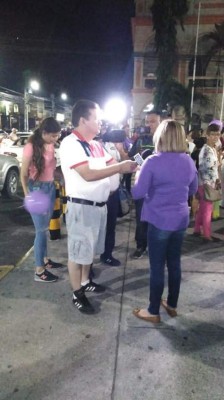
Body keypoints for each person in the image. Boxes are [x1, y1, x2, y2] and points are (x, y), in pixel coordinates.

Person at [59, 99, 136, 314]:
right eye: (97, 118)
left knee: (89, 250)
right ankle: (77, 293)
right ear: (83, 120)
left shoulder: (95, 145)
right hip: (81, 208)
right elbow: (88, 174)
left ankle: (85, 282)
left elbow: (113, 164)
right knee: (77, 252)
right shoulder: (71, 144)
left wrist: (128, 159)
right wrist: (119, 167)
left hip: (99, 206)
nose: (101, 122)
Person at [131, 120, 198, 323]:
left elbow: (137, 193)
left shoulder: (152, 161)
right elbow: (193, 189)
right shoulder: (188, 160)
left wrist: (137, 176)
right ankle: (172, 304)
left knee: (157, 267)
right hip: (180, 219)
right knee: (175, 263)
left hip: (159, 220)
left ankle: (153, 310)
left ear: (160, 137)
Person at [20, 117, 63, 283]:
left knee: (45, 227)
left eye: (57, 135)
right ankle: (39, 270)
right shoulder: (30, 146)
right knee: (40, 230)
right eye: (53, 136)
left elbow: (51, 168)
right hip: (36, 190)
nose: (56, 139)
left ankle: (45, 260)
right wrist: (27, 194)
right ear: (44, 133)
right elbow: (23, 174)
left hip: (50, 187)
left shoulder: (50, 144)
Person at [129, 110, 161, 259]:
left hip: (159, 187)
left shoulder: (164, 140)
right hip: (142, 184)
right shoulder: (140, 139)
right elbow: (133, 155)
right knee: (141, 216)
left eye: (153, 121)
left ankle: (154, 245)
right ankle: (141, 245)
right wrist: (144, 165)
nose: (149, 125)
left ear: (160, 122)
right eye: (147, 121)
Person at [193, 124, 221, 241]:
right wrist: (210, 183)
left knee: (204, 208)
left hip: (206, 183)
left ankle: (197, 229)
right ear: (207, 135)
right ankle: (207, 234)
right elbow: (205, 168)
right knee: (207, 210)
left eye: (217, 134)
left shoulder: (212, 149)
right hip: (206, 183)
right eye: (213, 134)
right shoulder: (206, 150)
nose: (215, 137)